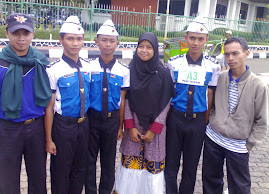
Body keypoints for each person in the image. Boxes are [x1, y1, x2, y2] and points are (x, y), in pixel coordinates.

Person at [202, 37, 268, 194]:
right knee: (210, 181)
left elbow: (262, 121)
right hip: (214, 139)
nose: (230, 58)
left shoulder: (258, 86)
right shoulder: (221, 78)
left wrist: (249, 145)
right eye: (227, 54)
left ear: (246, 53)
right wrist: (212, 121)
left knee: (239, 186)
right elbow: (211, 103)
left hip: (238, 145)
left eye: (235, 53)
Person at [165, 16, 221, 194]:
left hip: (197, 123)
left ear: (206, 41)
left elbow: (210, 93)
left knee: (190, 168)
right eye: (192, 38)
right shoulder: (173, 63)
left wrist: (204, 120)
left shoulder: (213, 66)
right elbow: (168, 93)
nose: (196, 42)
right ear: (185, 38)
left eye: (200, 39)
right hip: (175, 119)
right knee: (171, 166)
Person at [114, 32, 175, 194]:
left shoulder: (162, 73)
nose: (144, 50)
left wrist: (154, 129)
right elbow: (125, 100)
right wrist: (130, 127)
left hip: (154, 132)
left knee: (152, 169)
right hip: (133, 128)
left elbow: (166, 102)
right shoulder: (130, 70)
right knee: (130, 168)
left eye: (149, 47)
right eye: (141, 46)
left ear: (155, 49)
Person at [0, 13, 51, 193]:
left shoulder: (41, 62)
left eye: (26, 33)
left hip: (36, 128)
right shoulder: (1, 63)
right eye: (16, 33)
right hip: (7, 129)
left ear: (32, 34)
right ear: (7, 33)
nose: (21, 38)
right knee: (7, 181)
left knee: (38, 180)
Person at [45, 16, 91, 194]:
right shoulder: (53, 69)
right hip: (63, 126)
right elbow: (49, 107)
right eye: (70, 38)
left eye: (79, 39)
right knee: (60, 171)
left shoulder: (88, 66)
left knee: (80, 169)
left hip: (83, 125)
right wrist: (49, 139)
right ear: (61, 40)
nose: (75, 43)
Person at [85, 19, 130, 194]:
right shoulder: (88, 67)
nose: (108, 44)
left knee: (108, 161)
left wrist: (121, 127)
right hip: (91, 119)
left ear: (117, 44)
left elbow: (123, 101)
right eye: (104, 40)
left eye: (112, 41)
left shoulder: (124, 71)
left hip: (111, 122)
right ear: (96, 42)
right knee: (89, 161)